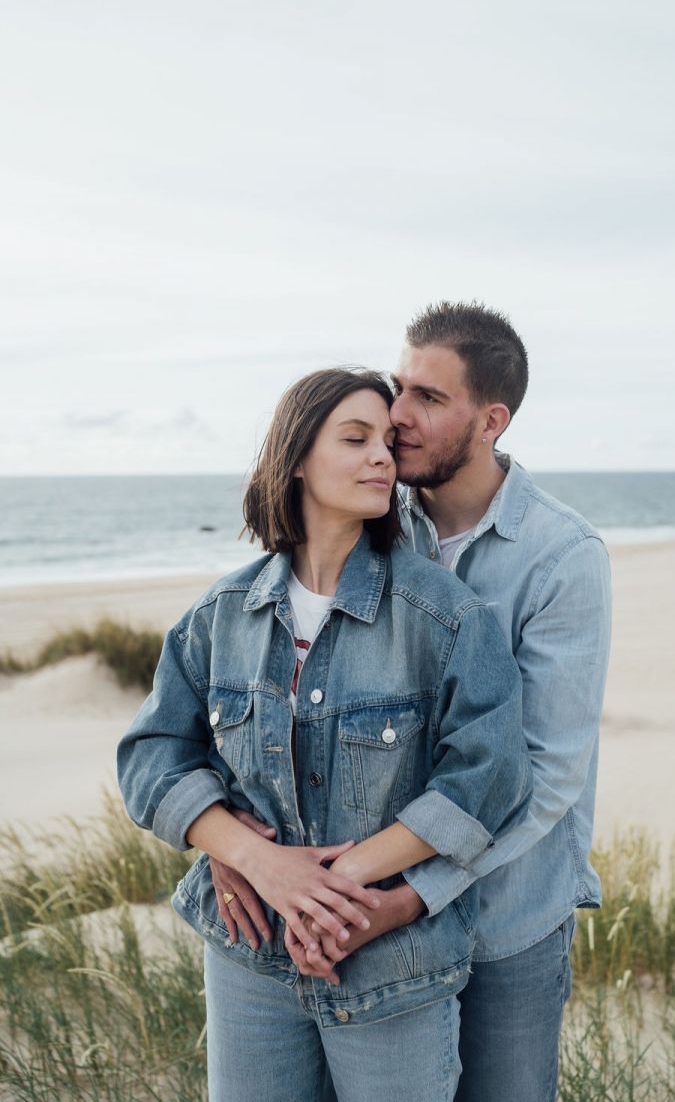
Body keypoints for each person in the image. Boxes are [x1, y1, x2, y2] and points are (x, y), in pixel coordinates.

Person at [215, 305, 612, 1102]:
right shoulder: (367, 515)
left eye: (429, 398)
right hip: (359, 913)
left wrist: (404, 897)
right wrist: (240, 848)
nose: (397, 417)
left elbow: (543, 775)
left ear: (491, 419)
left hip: (504, 918)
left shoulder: (564, 558)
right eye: (399, 388)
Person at [117, 367, 532, 1102]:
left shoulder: (444, 616)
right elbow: (153, 757)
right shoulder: (223, 614)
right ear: (297, 456)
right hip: (248, 966)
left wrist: (337, 882)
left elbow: (489, 774)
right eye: (355, 439)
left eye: (386, 441)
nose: (384, 457)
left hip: (392, 966)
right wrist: (251, 858)